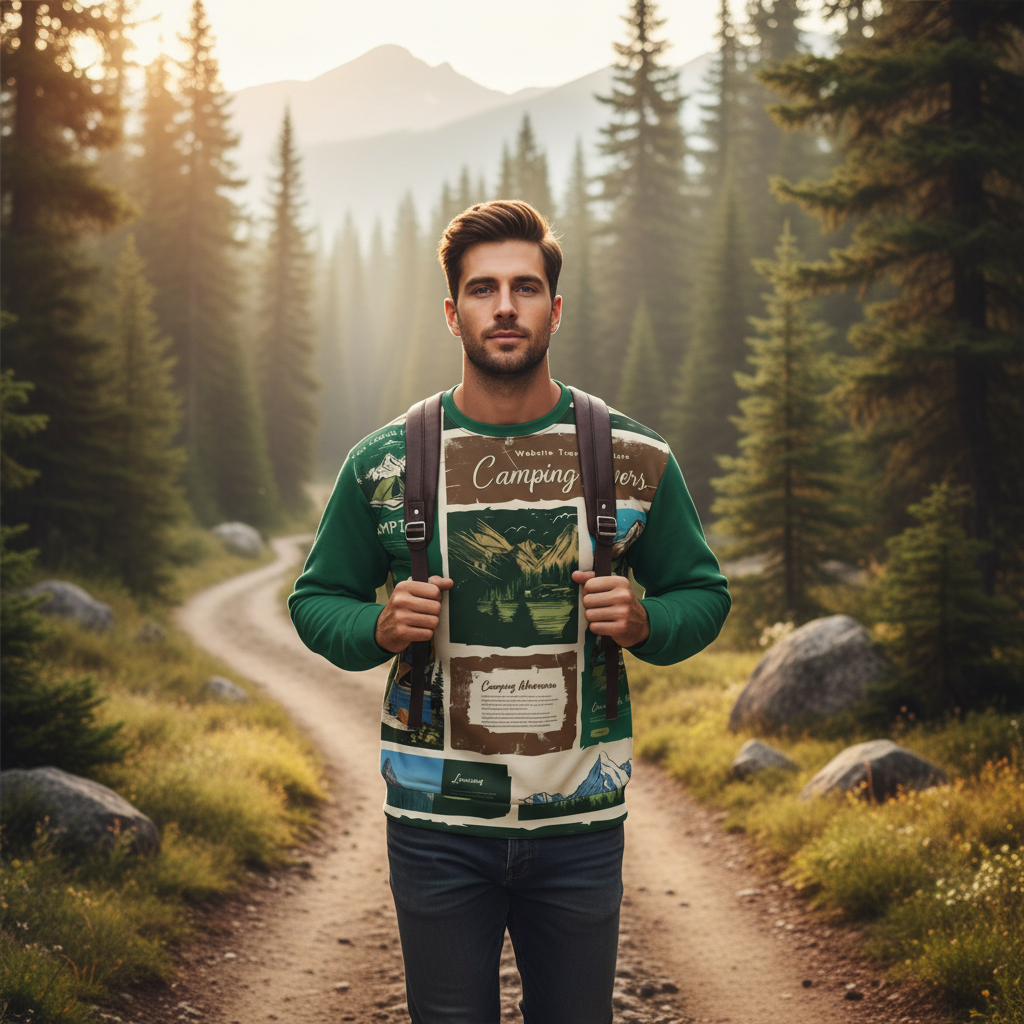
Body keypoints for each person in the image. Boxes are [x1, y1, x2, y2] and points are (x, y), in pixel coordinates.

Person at [289, 200, 730, 1024]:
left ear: (554, 310)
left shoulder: (634, 457)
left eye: (524, 288)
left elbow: (704, 595)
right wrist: (376, 627)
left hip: (579, 823)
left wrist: (646, 621)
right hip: (434, 825)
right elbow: (315, 601)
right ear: (451, 311)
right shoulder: (383, 464)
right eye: (482, 289)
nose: (504, 307)